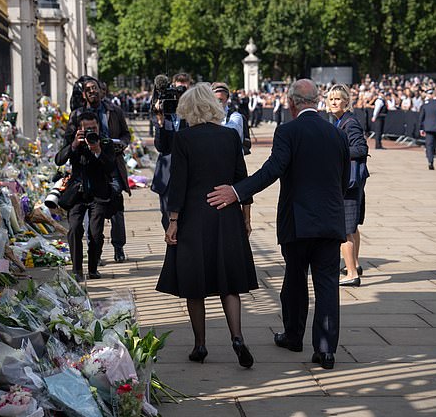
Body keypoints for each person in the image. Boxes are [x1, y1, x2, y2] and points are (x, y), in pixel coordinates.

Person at [207, 79, 350, 369]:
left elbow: (273, 169)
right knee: (327, 285)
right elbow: (344, 178)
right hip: (330, 220)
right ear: (317, 101)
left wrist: (237, 191)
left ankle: (294, 336)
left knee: (295, 281)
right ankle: (325, 349)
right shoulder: (336, 133)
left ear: (291, 102)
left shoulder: (288, 130)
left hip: (297, 221)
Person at [156, 83, 257, 369]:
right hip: (226, 213)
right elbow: (242, 177)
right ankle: (236, 337)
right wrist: (246, 217)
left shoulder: (184, 139)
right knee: (229, 282)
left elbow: (178, 183)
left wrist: (173, 221)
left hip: (194, 217)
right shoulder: (229, 137)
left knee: (194, 284)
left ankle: (200, 345)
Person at [65, 76, 131, 264]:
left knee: (116, 206)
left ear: (102, 90)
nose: (93, 92)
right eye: (88, 89)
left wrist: (122, 143)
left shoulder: (114, 110)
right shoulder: (77, 114)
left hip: (112, 163)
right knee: (92, 213)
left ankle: (119, 247)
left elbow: (126, 133)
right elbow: (68, 139)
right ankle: (95, 253)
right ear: (83, 94)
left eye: (95, 88)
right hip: (89, 168)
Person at [55, 111, 116, 281]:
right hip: (77, 193)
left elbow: (111, 167)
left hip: (99, 194)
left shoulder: (105, 142)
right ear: (80, 129)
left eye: (94, 128)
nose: (91, 132)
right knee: (74, 228)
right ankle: (76, 269)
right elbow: (59, 160)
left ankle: (93, 267)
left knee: (96, 233)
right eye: (87, 129)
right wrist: (74, 144)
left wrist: (97, 151)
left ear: (98, 127)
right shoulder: (75, 141)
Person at [327, 84, 369, 287]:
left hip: (349, 184)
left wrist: (336, 151)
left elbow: (361, 149)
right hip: (351, 182)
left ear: (346, 101)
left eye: (338, 99)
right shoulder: (340, 121)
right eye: (331, 99)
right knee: (352, 227)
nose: (334, 102)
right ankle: (355, 264)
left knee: (344, 229)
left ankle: (351, 273)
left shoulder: (349, 122)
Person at [151, 73, 191, 230]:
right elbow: (160, 146)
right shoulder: (164, 108)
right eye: (177, 88)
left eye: (184, 88)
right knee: (166, 214)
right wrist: (160, 123)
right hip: (167, 171)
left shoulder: (193, 111)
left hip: (188, 170)